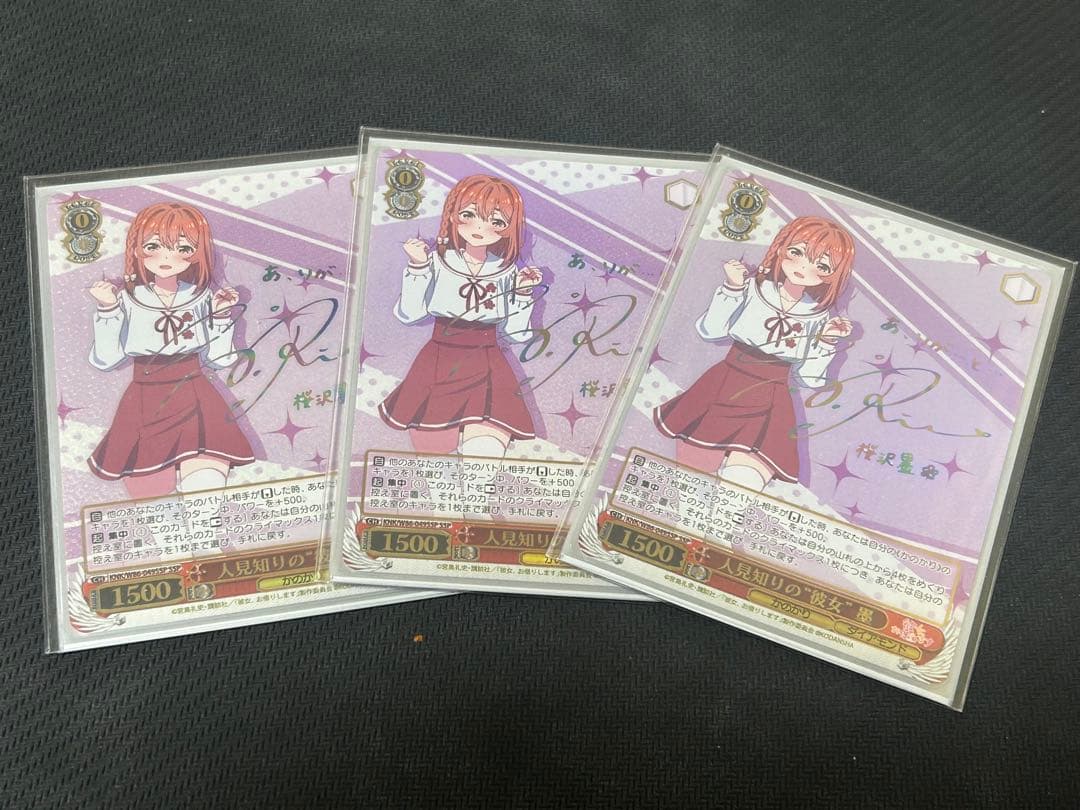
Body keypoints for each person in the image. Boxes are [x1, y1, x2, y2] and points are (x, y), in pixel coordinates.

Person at [654, 216, 856, 491]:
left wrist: (827, 341)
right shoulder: (753, 288)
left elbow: (810, 378)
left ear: (831, 275)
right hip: (725, 382)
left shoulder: (818, 316)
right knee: (692, 479)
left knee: (743, 484)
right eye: (796, 252)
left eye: (821, 266)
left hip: (771, 396)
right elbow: (710, 330)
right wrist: (732, 287)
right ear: (781, 247)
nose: (803, 267)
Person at [87, 202, 253, 498]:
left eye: (182, 248)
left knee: (206, 479)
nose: (167, 258)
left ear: (197, 254)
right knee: (149, 486)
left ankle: (205, 525)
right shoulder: (128, 299)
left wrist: (220, 315)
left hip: (194, 390)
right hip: (145, 395)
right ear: (136, 249)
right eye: (153, 246)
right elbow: (107, 359)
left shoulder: (202, 297)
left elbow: (220, 359)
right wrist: (108, 308)